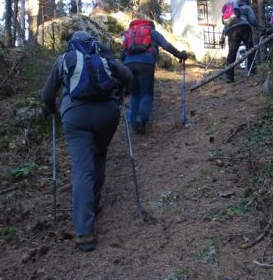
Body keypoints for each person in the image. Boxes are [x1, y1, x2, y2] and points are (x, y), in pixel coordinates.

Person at [41, 30, 132, 252]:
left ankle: (84, 232)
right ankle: (94, 203)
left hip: (76, 117)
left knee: (82, 170)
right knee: (99, 156)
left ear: (72, 44)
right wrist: (121, 96)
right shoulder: (102, 57)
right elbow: (127, 76)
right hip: (107, 114)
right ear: (92, 43)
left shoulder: (65, 59)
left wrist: (54, 110)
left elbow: (46, 94)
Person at [121, 16, 188, 135]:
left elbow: (123, 53)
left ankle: (133, 123)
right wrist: (179, 55)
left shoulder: (129, 34)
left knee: (135, 94)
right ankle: (141, 119)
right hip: (146, 63)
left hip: (128, 64)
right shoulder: (151, 32)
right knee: (146, 93)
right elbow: (166, 45)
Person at [220, 0, 259, 83]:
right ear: (246, 1)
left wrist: (222, 36)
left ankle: (229, 77)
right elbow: (252, 20)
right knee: (250, 48)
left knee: (232, 53)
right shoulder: (246, 7)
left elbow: (226, 25)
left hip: (231, 30)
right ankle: (251, 70)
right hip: (244, 27)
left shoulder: (232, 11)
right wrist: (260, 28)